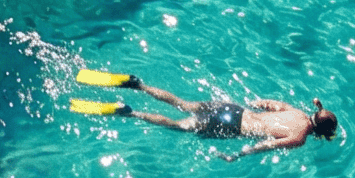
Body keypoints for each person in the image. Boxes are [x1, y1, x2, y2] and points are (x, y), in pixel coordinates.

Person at [71, 71, 339, 159]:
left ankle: (138, 85)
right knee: (177, 125)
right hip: (231, 126)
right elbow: (266, 145)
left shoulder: (297, 112)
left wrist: (253, 104)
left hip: (234, 109)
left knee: (182, 103)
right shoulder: (299, 138)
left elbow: (267, 103)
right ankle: (131, 113)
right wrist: (239, 155)